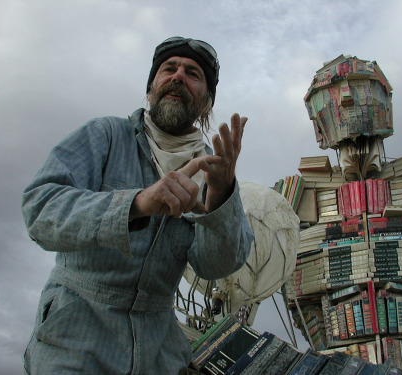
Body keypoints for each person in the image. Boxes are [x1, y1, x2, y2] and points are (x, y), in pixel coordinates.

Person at [21, 36, 254, 374]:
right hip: (72, 344)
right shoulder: (106, 136)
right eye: (168, 69)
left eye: (193, 73)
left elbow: (216, 265)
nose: (177, 76)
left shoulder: (213, 168)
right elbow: (40, 211)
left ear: (206, 102)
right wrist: (137, 204)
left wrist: (221, 196)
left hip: (158, 353)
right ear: (150, 89)